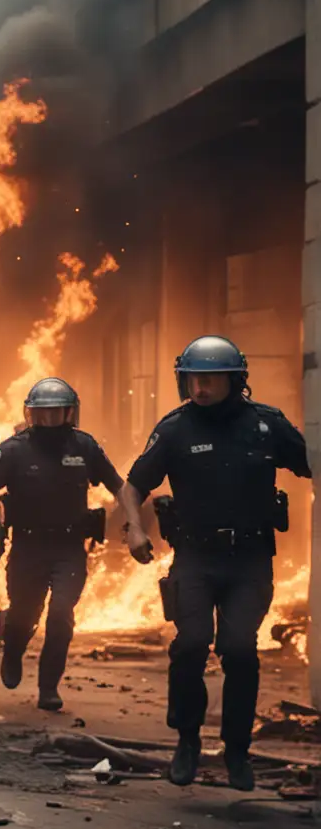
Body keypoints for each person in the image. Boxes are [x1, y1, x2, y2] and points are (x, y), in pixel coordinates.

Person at [118, 336, 311, 790]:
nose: (200, 388)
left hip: (250, 559)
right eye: (193, 380)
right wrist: (135, 528)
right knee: (191, 645)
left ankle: (237, 750)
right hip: (196, 558)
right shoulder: (175, 429)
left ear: (235, 380)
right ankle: (187, 740)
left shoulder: (267, 426)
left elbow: (311, 463)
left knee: (241, 651)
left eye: (210, 379)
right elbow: (133, 486)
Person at [0, 377, 122, 714]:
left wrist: (134, 523)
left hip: (70, 548)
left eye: (57, 413)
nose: (50, 419)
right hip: (28, 548)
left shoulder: (84, 446)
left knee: (61, 615)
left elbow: (118, 485)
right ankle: (12, 649)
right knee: (25, 616)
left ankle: (48, 687)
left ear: (70, 413)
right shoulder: (14, 449)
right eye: (43, 413)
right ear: (31, 415)